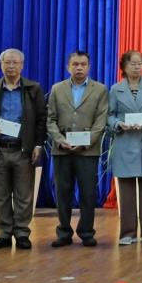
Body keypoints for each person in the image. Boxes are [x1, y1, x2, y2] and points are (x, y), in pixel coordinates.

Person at [0, 48, 47, 251]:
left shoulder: (33, 90)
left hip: (23, 150)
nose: (11, 66)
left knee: (24, 195)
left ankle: (22, 233)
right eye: (7, 62)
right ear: (1, 65)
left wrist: (38, 144)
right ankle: (3, 234)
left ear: (22, 65)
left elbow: (41, 119)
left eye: (15, 63)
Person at [47, 50, 109, 247]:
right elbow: (50, 119)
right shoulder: (57, 89)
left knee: (88, 193)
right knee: (63, 192)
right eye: (75, 64)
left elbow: (101, 122)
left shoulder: (100, 90)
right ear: (68, 67)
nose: (79, 68)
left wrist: (85, 141)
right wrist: (59, 140)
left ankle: (86, 232)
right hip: (62, 150)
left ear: (89, 67)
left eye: (83, 64)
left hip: (87, 151)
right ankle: (64, 232)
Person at [107, 50, 142, 246]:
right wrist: (118, 124)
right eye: (133, 63)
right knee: (127, 192)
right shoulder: (116, 89)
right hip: (125, 142)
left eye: (140, 63)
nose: (137, 67)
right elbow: (110, 115)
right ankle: (127, 233)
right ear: (124, 66)